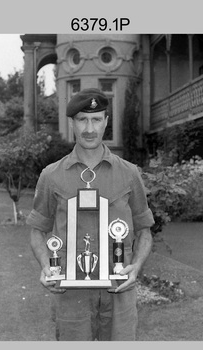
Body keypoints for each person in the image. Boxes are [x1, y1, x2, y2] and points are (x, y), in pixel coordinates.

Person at [27, 88, 154, 341]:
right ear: (72, 122)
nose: (89, 128)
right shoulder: (51, 176)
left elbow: (144, 232)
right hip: (71, 295)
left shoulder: (129, 173)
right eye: (82, 119)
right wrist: (46, 266)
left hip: (119, 290)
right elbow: (37, 231)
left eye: (96, 119)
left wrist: (136, 266)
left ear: (106, 121)